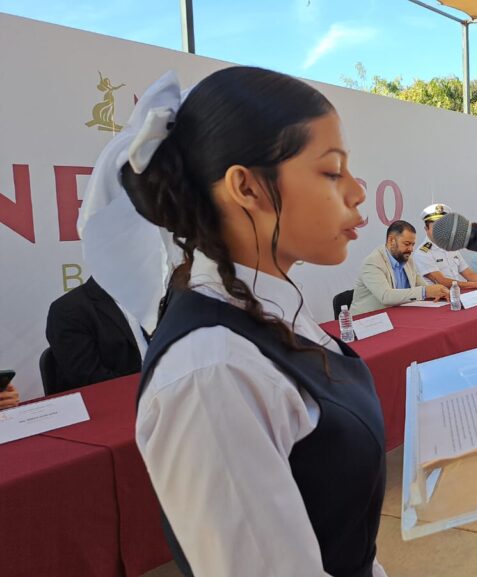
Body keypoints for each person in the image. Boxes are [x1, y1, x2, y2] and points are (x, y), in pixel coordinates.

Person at [86, 68, 388, 576]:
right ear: (246, 186)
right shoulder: (213, 373)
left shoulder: (270, 311)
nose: (357, 193)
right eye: (332, 172)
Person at [45, 276, 146, 394]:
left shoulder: (156, 297)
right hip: (117, 400)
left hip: (160, 394)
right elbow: (90, 379)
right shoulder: (67, 309)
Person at [350, 220, 448, 315]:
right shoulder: (372, 262)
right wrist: (425, 292)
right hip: (367, 322)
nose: (411, 249)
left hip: (397, 316)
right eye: (406, 244)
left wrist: (438, 292)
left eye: (412, 244)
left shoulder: (407, 258)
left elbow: (419, 283)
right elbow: (386, 296)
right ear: (391, 240)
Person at [413, 203, 477, 290]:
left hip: (458, 294)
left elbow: (469, 273)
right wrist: (475, 285)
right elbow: (441, 281)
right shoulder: (422, 253)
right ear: (426, 229)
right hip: (438, 299)